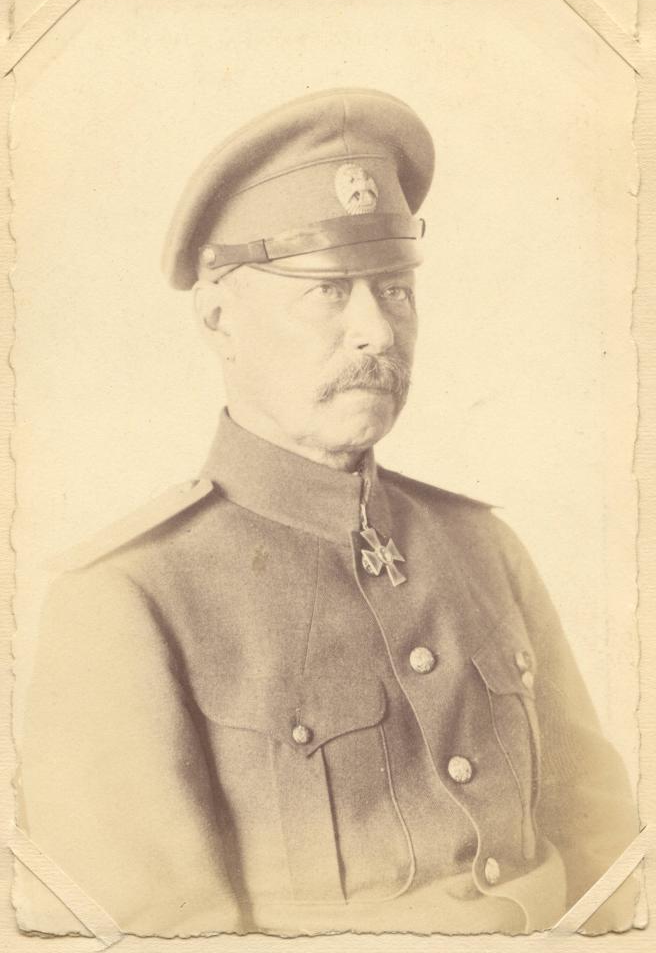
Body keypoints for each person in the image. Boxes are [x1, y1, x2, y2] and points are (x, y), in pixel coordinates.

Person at [18, 88, 638, 938]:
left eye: (395, 291)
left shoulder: (482, 547)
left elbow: (609, 863)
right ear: (217, 317)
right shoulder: (127, 598)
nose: (377, 332)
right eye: (328, 291)